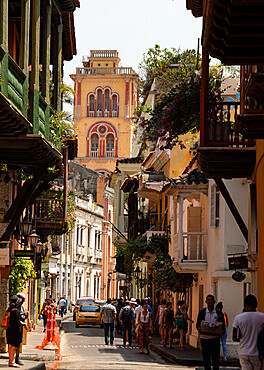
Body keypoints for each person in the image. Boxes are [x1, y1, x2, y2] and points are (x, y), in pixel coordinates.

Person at [233, 294, 264, 370]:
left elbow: (234, 338)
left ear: (245, 305)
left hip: (244, 352)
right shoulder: (262, 317)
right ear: (256, 304)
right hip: (257, 353)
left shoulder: (238, 318)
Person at [196, 294, 225, 370]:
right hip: (205, 339)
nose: (210, 301)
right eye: (208, 300)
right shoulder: (202, 312)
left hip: (215, 339)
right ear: (206, 301)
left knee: (215, 358)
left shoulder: (219, 313)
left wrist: (221, 332)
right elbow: (198, 324)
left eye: (212, 300)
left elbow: (222, 326)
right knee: (206, 358)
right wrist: (200, 329)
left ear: (214, 301)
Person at [6, 295, 25, 368]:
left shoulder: (9, 310)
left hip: (9, 330)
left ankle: (11, 361)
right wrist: (23, 323)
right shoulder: (16, 311)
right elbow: (17, 322)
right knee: (13, 347)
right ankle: (12, 362)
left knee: (10, 347)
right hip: (15, 332)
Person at [15, 293, 28, 366]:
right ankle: (13, 359)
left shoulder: (21, 307)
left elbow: (22, 317)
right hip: (16, 328)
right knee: (15, 344)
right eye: (22, 300)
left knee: (19, 344)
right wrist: (22, 313)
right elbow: (15, 315)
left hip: (20, 328)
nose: (22, 302)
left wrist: (25, 315)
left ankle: (17, 358)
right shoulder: (15, 307)